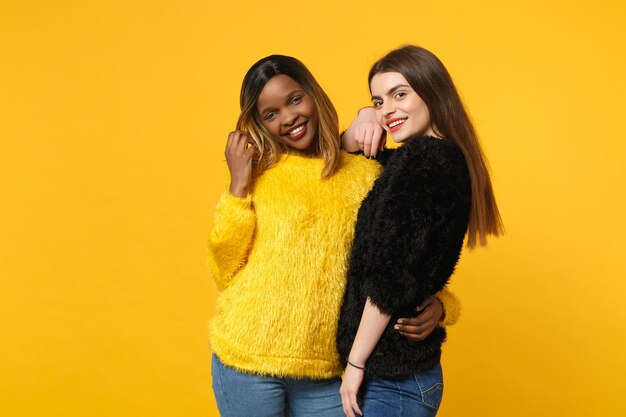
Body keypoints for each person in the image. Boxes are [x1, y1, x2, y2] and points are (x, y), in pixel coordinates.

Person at [207, 54, 460, 417]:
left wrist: (440, 305)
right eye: (271, 114)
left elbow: (404, 253)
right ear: (260, 124)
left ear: (314, 94)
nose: (289, 117)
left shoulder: (363, 171)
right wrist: (237, 188)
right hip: (247, 363)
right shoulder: (259, 175)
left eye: (295, 100)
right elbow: (223, 269)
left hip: (327, 373)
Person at [337, 45, 505, 417]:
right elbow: (344, 156)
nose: (388, 110)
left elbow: (389, 276)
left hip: (389, 379)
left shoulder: (427, 161)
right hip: (404, 374)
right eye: (379, 101)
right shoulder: (430, 159)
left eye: (400, 94)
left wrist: (356, 364)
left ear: (432, 91)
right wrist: (365, 117)